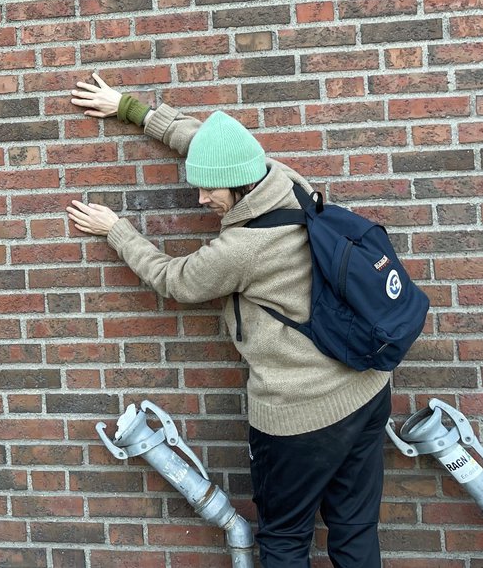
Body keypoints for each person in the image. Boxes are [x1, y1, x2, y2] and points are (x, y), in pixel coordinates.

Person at [67, 72, 391, 568]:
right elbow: (206, 139)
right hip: (367, 391)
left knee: (284, 540)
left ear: (238, 183)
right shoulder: (283, 179)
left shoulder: (241, 249)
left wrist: (118, 230)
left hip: (301, 416)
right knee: (354, 530)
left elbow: (174, 280)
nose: (201, 200)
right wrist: (128, 108)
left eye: (208, 190)